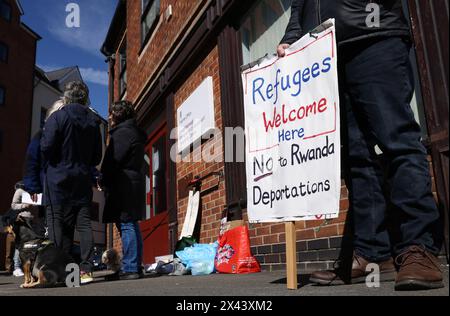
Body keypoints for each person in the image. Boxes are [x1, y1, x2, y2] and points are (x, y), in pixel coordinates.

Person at [278, 1, 443, 291]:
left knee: (397, 141)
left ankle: (420, 247)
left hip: (374, 35)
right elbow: (299, 6)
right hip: (325, 53)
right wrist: (291, 39)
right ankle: (372, 254)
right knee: (356, 157)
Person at [41, 81, 103, 285]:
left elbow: (46, 147)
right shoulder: (93, 122)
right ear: (85, 97)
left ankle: (60, 271)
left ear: (66, 96)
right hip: (82, 179)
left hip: (58, 179)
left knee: (58, 223)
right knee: (83, 224)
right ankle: (84, 270)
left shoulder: (57, 117)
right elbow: (96, 157)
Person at [101, 101, 146, 281]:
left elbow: (114, 160)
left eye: (112, 114)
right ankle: (133, 265)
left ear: (119, 114)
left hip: (123, 183)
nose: (110, 117)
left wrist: (102, 178)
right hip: (131, 182)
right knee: (131, 224)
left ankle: (131, 268)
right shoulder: (132, 131)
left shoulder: (123, 133)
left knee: (127, 224)